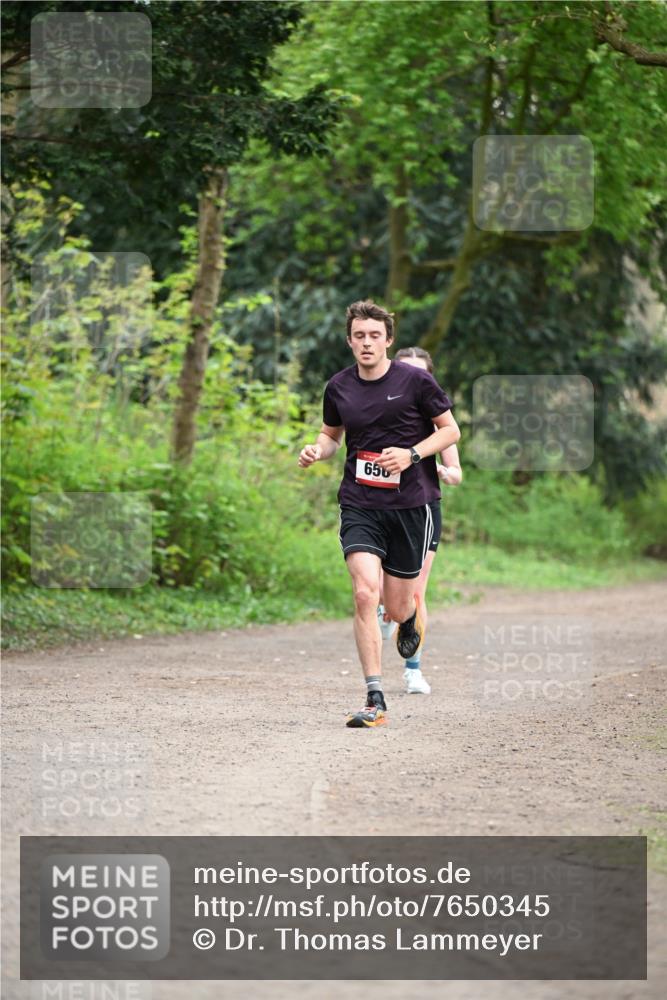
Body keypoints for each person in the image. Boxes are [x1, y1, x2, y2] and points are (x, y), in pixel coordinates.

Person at [298, 300, 460, 728]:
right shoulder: (338, 387)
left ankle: (409, 621)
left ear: (388, 340)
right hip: (360, 503)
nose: (366, 343)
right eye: (358, 336)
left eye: (374, 336)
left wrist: (411, 454)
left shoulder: (416, 382)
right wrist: (318, 449)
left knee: (398, 603)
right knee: (365, 595)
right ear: (349, 341)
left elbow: (450, 430)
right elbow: (332, 435)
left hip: (411, 505)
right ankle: (375, 696)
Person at [377, 347, 463, 696]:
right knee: (383, 588)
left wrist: (444, 471)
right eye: (405, 371)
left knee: (415, 591)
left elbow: (456, 472)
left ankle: (413, 670)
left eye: (420, 374)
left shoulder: (436, 419)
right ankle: (386, 606)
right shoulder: (378, 410)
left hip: (423, 507)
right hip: (378, 507)